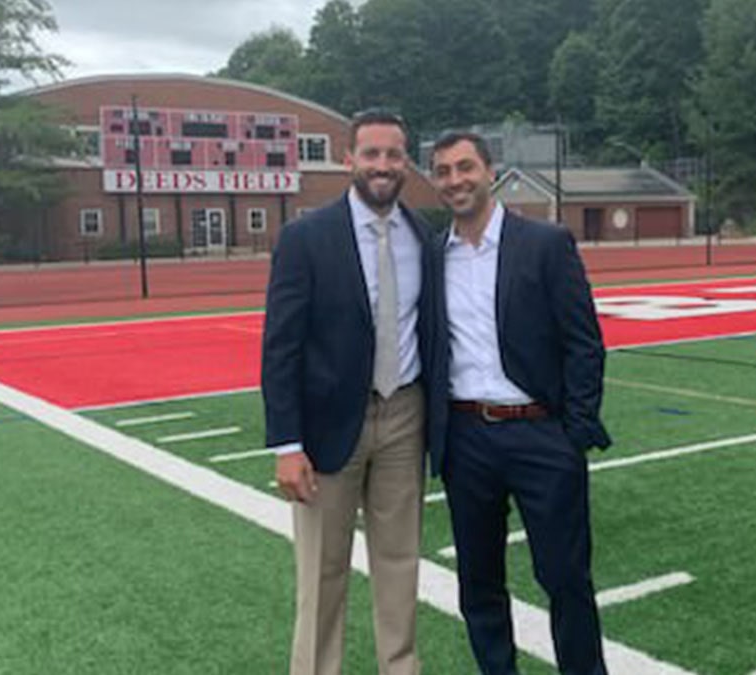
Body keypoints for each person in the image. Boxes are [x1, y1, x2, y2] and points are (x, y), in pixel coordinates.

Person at [427, 131, 612, 675]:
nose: (455, 179)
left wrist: (572, 430)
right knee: (479, 582)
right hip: (466, 438)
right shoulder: (433, 255)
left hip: (540, 434)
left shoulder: (545, 243)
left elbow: (584, 341)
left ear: (491, 171)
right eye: (442, 171)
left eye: (465, 167)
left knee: (564, 578)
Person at [261, 110, 435, 675]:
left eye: (393, 155)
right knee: (321, 572)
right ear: (349, 160)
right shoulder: (306, 237)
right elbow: (280, 345)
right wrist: (287, 442)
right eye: (371, 154)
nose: (383, 166)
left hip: (405, 413)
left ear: (405, 161)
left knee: (399, 562)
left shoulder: (422, 234)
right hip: (328, 423)